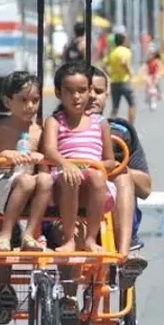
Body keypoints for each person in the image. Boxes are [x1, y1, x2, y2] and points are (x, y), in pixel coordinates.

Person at [43, 62, 117, 253]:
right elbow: (49, 150)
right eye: (69, 91)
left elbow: (109, 160)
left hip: (94, 184)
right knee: (71, 177)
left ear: (89, 92)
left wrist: (95, 166)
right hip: (64, 181)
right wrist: (66, 164)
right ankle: (69, 239)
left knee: (96, 176)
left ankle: (91, 239)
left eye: (82, 90)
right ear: (59, 93)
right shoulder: (54, 121)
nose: (76, 97)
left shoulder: (100, 123)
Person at [0, 71, 53, 252]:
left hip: (28, 184)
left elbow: (44, 170)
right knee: (26, 181)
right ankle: (6, 234)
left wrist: (41, 160)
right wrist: (3, 156)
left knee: (45, 179)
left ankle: (29, 234)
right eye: (23, 100)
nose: (30, 106)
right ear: (8, 101)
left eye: (35, 100)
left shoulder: (39, 132)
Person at [89, 67, 149, 287]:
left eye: (98, 91)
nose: (92, 97)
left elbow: (146, 188)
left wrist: (116, 169)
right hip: (73, 199)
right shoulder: (59, 127)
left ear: (107, 95)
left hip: (112, 204)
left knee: (122, 175)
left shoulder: (122, 130)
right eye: (88, 90)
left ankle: (124, 254)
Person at [106, 32, 137, 124]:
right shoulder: (126, 51)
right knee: (132, 104)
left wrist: (110, 73)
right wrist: (129, 72)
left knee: (115, 107)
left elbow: (104, 65)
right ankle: (131, 127)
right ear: (123, 40)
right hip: (125, 81)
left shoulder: (112, 52)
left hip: (114, 81)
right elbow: (124, 62)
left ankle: (110, 126)